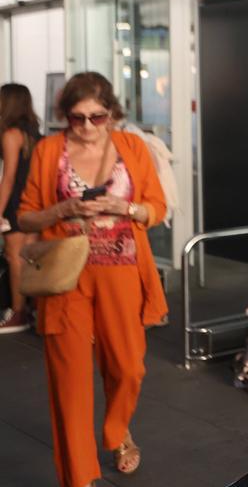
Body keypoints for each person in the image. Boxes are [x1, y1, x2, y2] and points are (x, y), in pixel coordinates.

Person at [18, 71, 167, 487]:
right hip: (66, 275)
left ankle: (117, 431)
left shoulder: (133, 147)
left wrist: (128, 208)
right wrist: (63, 210)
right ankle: (78, 478)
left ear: (113, 113)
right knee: (69, 383)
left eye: (97, 117)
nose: (86, 127)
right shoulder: (50, 150)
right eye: (76, 118)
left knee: (128, 367)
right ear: (65, 116)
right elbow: (25, 215)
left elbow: (157, 207)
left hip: (123, 272)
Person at [0, 83, 42, 333]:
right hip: (35, 199)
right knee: (31, 256)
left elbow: (9, 177)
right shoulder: (33, 132)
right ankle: (34, 309)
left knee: (14, 256)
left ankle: (18, 313)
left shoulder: (10, 134)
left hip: (17, 201)